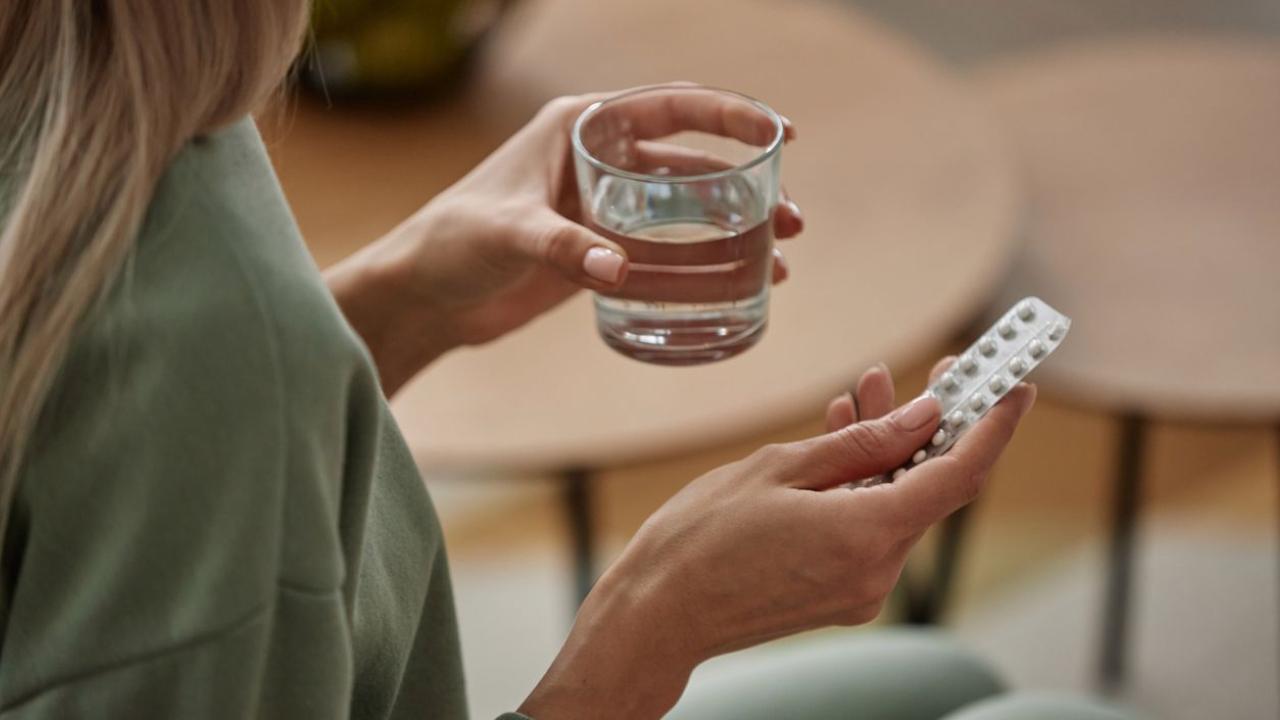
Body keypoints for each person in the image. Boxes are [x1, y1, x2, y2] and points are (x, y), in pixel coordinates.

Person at [0, 2, 1138, 719]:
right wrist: (653, 623)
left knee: (953, 683)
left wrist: (399, 302)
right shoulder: (198, 306)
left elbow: (120, 419)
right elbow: (180, 399)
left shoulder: (89, 78)